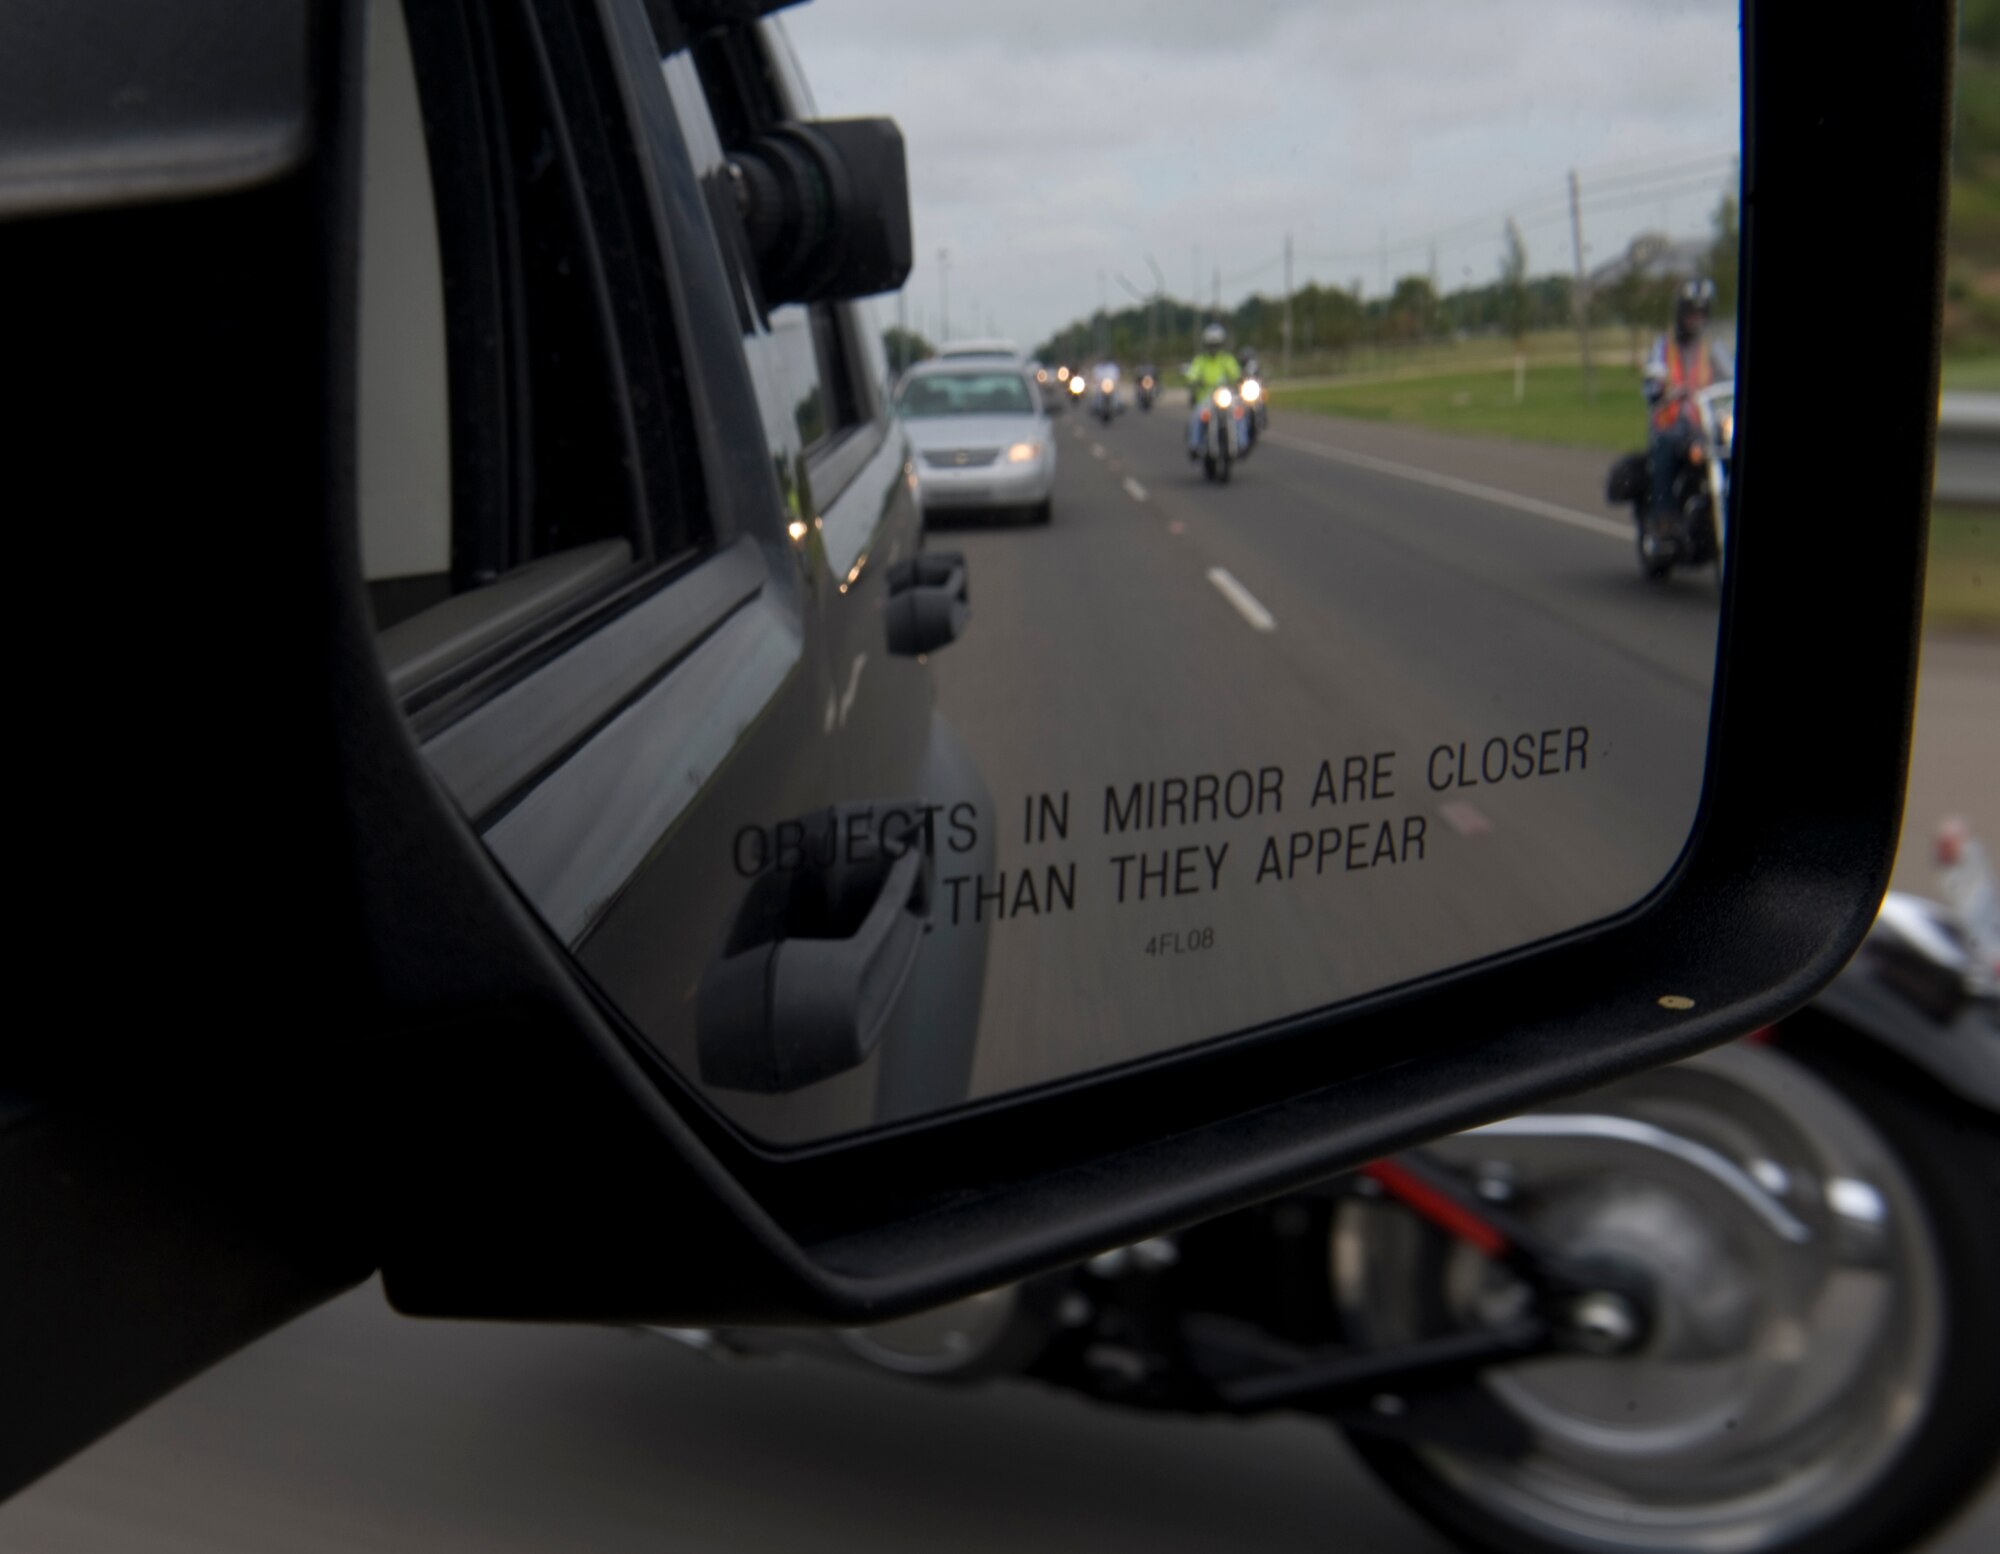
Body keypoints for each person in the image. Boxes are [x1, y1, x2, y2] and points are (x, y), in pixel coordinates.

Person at [1642, 279, 1729, 530]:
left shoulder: (1712, 347)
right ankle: (1664, 517)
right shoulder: (1664, 346)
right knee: (1666, 449)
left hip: (1704, 427)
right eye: (1691, 313)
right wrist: (1658, 389)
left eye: (1701, 313)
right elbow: (1651, 380)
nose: (1696, 319)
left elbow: (1731, 375)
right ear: (1680, 313)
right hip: (1670, 425)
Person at [1185, 323, 1243, 459]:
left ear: (1221, 344)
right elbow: (1192, 374)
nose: (1213, 348)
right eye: (1211, 345)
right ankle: (1194, 445)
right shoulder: (1201, 360)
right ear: (1206, 344)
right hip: (1206, 398)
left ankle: (1241, 443)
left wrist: (1240, 379)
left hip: (1225, 397)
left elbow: (1236, 372)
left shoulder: (1226, 359)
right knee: (1196, 417)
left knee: (1238, 414)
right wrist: (1193, 381)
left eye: (1216, 344)